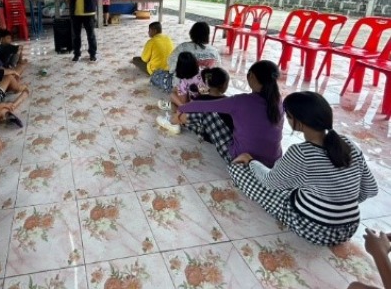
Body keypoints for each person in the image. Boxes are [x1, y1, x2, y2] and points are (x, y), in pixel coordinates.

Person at [229, 91, 378, 246]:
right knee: (298, 183)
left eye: (288, 116)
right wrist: (340, 204)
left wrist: (251, 160)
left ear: (298, 121)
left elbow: (269, 182)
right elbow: (371, 189)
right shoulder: (349, 144)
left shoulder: (301, 152)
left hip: (314, 228)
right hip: (349, 228)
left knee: (237, 170)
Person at [162, 60, 283, 167]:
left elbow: (201, 106)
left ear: (251, 76)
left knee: (205, 114)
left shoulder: (240, 101)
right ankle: (176, 117)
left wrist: (181, 109)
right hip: (272, 164)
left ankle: (172, 121)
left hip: (242, 161)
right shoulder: (278, 101)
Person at [151, 21, 220, 92]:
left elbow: (171, 63)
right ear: (207, 35)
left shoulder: (183, 47)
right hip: (204, 88)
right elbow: (217, 69)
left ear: (192, 33)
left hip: (182, 87)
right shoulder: (214, 51)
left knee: (156, 74)